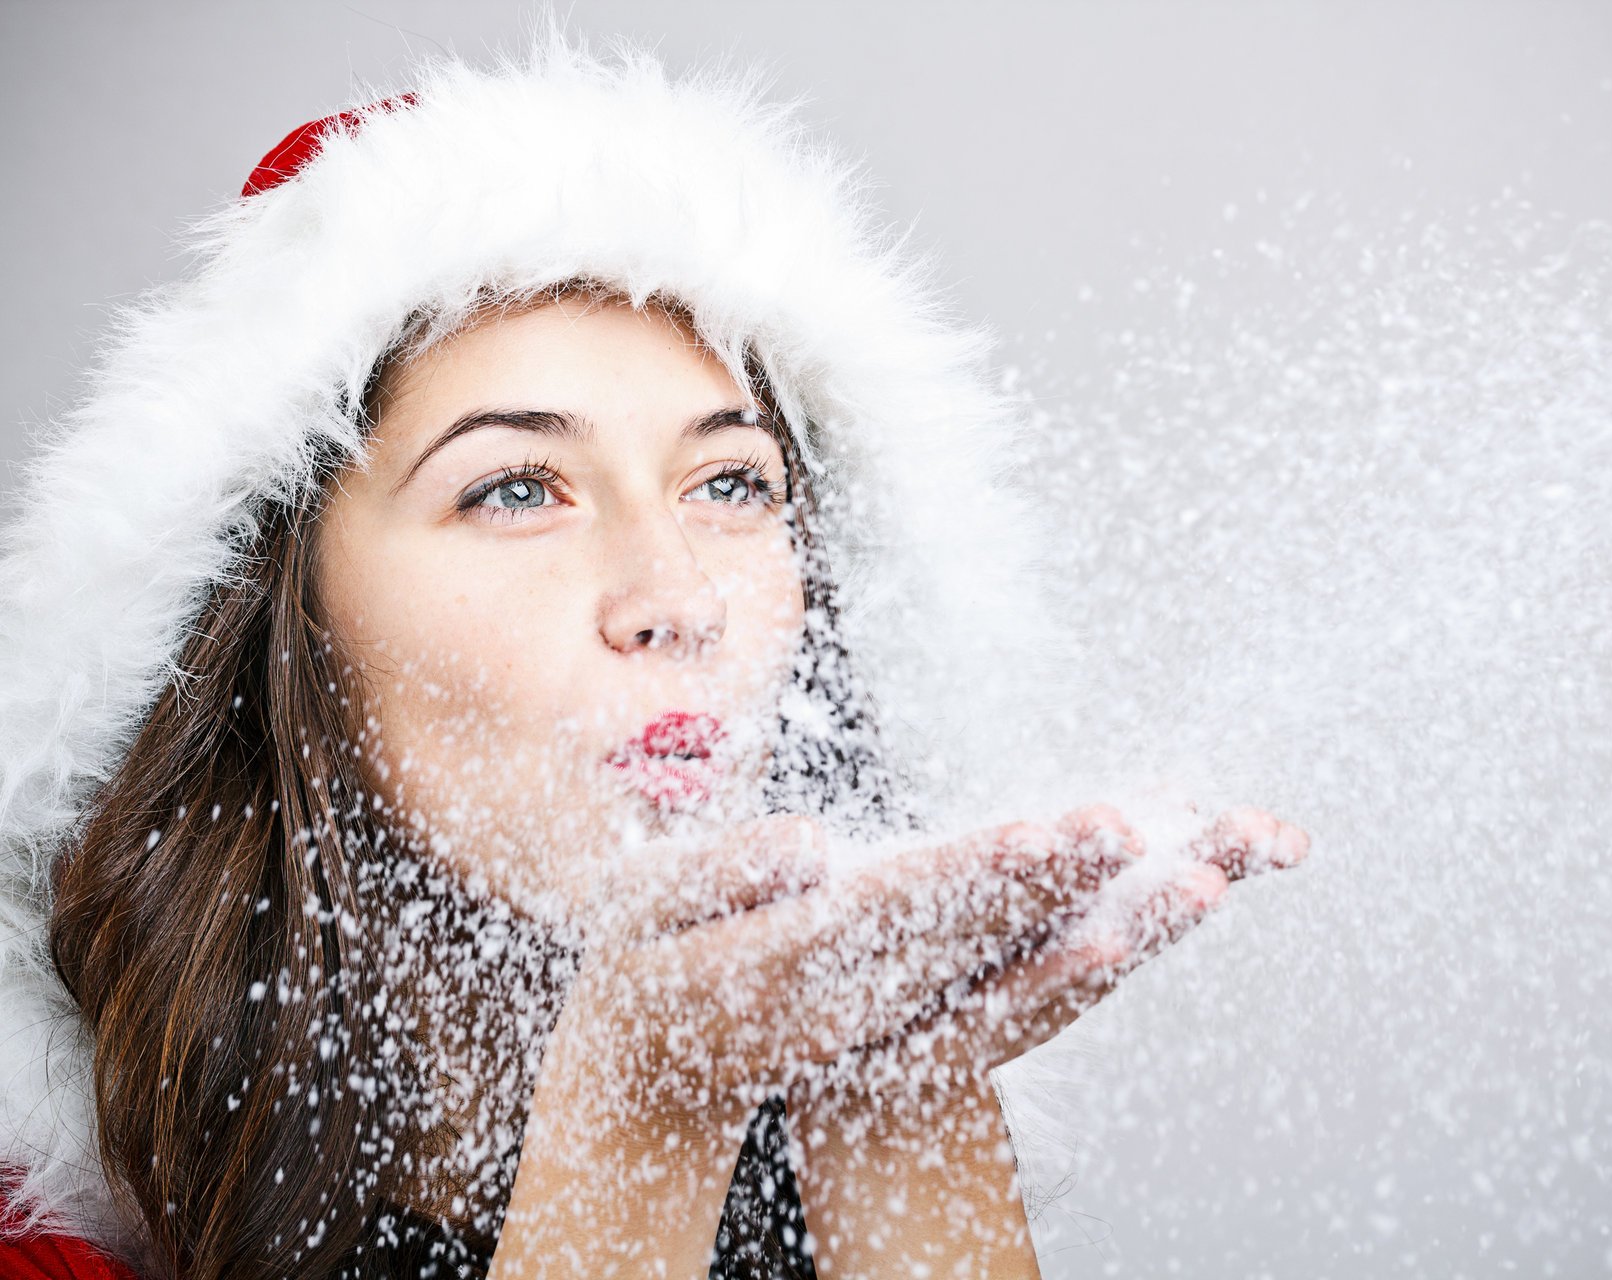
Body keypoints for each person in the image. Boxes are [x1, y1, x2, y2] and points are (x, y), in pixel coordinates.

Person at [0, 33, 1309, 1280]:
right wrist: (637, 1109)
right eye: (515, 490)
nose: (678, 596)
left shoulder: (852, 1100)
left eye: (733, 485)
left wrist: (895, 1108)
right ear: (282, 635)